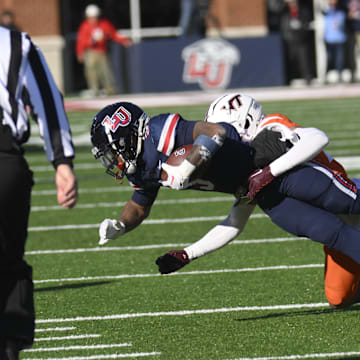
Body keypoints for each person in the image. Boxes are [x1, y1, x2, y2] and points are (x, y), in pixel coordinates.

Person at [90, 100, 360, 310]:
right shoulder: (143, 168)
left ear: (124, 139)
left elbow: (215, 132)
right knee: (330, 246)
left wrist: (188, 165)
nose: (113, 162)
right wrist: (122, 224)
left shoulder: (161, 132)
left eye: (112, 153)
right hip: (258, 191)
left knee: (347, 201)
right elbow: (140, 205)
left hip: (279, 168)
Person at [0, 28, 78, 359]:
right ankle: (8, 346)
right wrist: (62, 162)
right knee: (8, 263)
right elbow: (47, 100)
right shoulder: (13, 42)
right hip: (5, 162)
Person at [76, 4, 132, 97]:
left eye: (94, 17)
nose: (93, 19)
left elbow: (114, 34)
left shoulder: (104, 24)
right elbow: (81, 41)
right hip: (90, 52)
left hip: (102, 52)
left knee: (106, 72)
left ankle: (110, 90)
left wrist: (124, 41)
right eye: (91, 17)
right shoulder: (85, 26)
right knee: (91, 73)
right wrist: (80, 52)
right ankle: (94, 91)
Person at [279, 0, 313, 85]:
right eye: (291, 3)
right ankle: (289, 79)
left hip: (302, 40)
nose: (293, 4)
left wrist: (301, 26)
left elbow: (308, 23)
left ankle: (307, 78)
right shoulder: (285, 13)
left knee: (304, 60)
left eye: (294, 2)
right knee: (291, 61)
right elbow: (276, 10)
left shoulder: (303, 11)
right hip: (291, 40)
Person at [323, 0, 348, 83]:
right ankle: (325, 76)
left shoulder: (341, 12)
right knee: (329, 59)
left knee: (339, 59)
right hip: (329, 39)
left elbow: (340, 24)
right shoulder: (327, 12)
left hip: (339, 39)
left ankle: (339, 76)